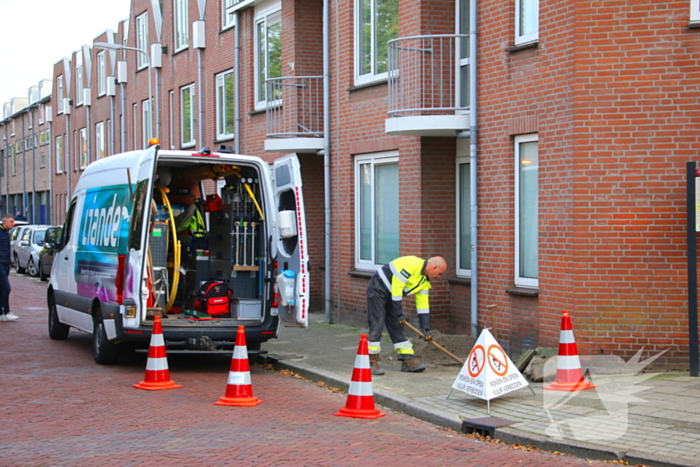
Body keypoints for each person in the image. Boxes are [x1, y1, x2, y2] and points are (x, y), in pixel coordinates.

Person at [367, 255, 447, 375]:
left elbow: (423, 304)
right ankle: (371, 361)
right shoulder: (411, 264)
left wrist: (425, 328)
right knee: (377, 324)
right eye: (439, 273)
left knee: (398, 327)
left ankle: (407, 360)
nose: (438, 277)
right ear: (433, 267)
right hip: (379, 288)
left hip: (393, 296)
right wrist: (399, 313)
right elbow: (397, 288)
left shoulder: (424, 281)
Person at [0, 214, 17, 321]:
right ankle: (6, 311)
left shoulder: (6, 233)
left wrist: (9, 262)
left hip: (6, 263)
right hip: (1, 263)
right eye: (11, 222)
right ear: (4, 222)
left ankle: (2, 313)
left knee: (1, 289)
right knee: (6, 288)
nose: (13, 224)